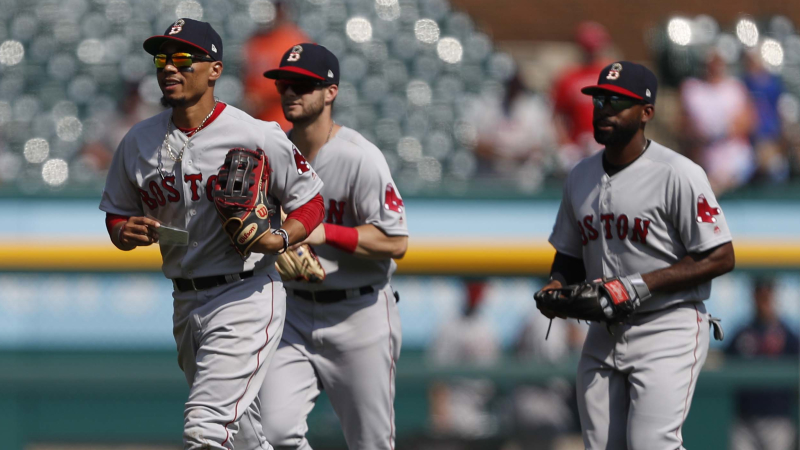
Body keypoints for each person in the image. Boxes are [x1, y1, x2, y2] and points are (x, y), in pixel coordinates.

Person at [99, 19, 325, 449]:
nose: (170, 68)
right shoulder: (138, 140)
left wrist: (282, 238)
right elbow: (116, 214)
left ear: (215, 70)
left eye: (184, 59)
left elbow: (311, 199)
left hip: (246, 294)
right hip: (185, 301)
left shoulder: (255, 133)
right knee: (244, 438)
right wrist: (123, 230)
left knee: (205, 428)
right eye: (163, 59)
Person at [537, 61, 736, 449]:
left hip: (668, 324)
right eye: (598, 100)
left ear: (647, 112)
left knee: (651, 444)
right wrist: (557, 285)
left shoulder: (678, 172)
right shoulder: (579, 176)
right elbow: (569, 255)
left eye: (616, 102)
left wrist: (637, 286)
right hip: (603, 332)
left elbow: (720, 256)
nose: (603, 109)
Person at [237, 43, 408, 450]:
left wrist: (324, 233)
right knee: (274, 435)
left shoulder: (359, 157)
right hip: (292, 310)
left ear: (331, 92)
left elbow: (396, 240)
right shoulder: (271, 151)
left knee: (371, 443)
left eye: (304, 85)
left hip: (360, 312)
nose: (291, 92)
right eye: (285, 83)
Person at [726, 277, 799, 450]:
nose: (764, 298)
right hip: (745, 419)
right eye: (760, 292)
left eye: (768, 292)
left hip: (778, 419)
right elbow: (721, 362)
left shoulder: (787, 334)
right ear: (754, 295)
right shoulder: (743, 332)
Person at [680, 49, 757, 193]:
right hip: (704, 152)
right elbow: (685, 126)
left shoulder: (734, 87)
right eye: (711, 63)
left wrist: (725, 130)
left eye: (718, 63)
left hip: (733, 153)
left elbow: (748, 121)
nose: (715, 67)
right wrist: (703, 133)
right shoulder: (692, 89)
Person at [466, 70, 556, 191]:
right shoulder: (487, 105)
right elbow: (473, 142)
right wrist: (500, 154)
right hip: (490, 176)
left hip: (524, 178)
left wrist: (515, 154)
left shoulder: (534, 108)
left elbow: (542, 146)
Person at [551, 21, 615, 172]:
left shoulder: (613, 75)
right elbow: (558, 116)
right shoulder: (568, 78)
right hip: (577, 147)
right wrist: (566, 143)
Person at [242, 0, 309, 130]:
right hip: (257, 123)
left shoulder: (294, 42)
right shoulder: (253, 42)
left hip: (286, 123)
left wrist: (263, 99)